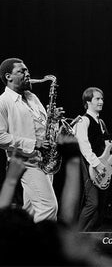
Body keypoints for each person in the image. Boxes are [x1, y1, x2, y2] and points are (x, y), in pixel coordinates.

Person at [0, 58, 58, 222]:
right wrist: (34, 144)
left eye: (27, 70)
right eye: (22, 71)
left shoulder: (32, 97)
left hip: (44, 160)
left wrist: (53, 120)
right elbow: (0, 137)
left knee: (30, 212)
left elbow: (42, 125)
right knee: (48, 208)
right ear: (8, 76)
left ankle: (22, 245)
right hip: (26, 162)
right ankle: (44, 245)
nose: (28, 73)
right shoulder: (3, 102)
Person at [74, 87, 112, 231]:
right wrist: (96, 164)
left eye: (102, 99)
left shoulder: (101, 123)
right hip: (90, 167)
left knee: (101, 207)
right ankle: (76, 235)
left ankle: (89, 237)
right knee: (92, 203)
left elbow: (107, 145)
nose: (101, 101)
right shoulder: (83, 121)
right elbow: (84, 146)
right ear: (88, 102)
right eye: (97, 99)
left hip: (102, 168)